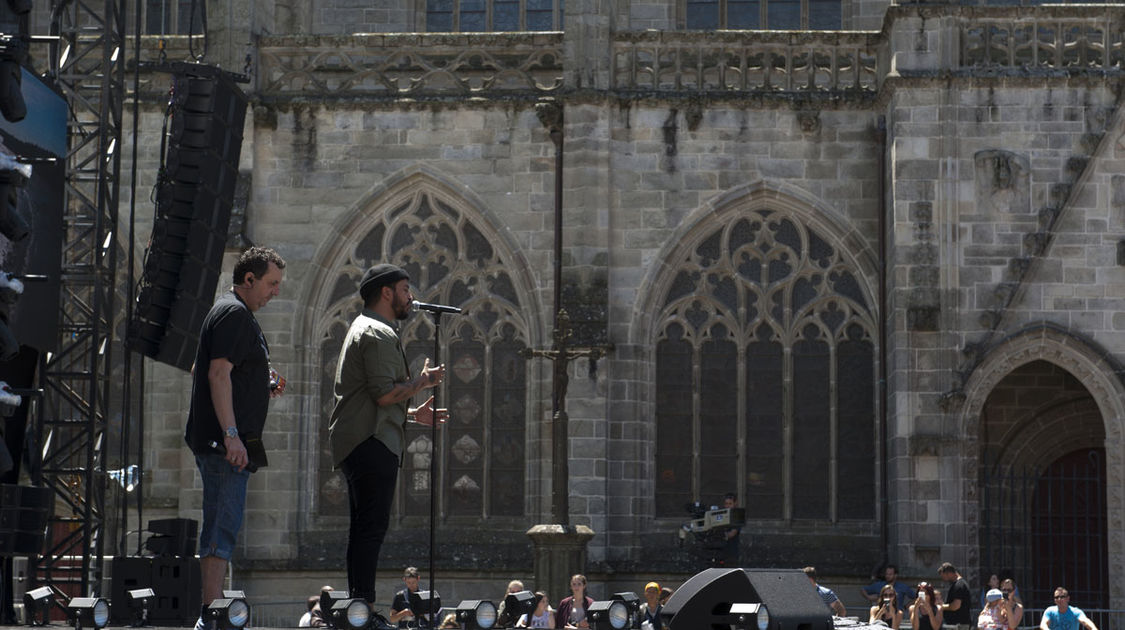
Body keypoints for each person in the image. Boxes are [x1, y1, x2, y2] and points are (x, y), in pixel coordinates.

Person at [328, 263, 447, 625]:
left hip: (365, 438)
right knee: (370, 528)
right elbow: (382, 395)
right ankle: (362, 609)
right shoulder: (377, 333)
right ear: (386, 293)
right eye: (406, 289)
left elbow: (370, 399)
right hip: (371, 444)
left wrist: (412, 415)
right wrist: (422, 383)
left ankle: (359, 606)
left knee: (365, 527)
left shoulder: (368, 328)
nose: (411, 297)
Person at [184, 246, 287, 630]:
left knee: (222, 526)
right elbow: (215, 374)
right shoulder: (233, 313)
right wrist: (231, 436)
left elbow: (204, 366)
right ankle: (209, 618)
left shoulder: (233, 313)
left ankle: (211, 614)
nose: (275, 292)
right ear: (249, 279)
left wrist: (262, 381)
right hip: (224, 446)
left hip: (225, 443)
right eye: (271, 284)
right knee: (220, 530)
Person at [938, 562, 972, 630]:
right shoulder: (959, 584)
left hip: (958, 625)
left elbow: (956, 606)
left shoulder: (959, 585)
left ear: (948, 573)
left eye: (943, 576)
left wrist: (942, 606)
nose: (944, 579)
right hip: (956, 624)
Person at [719, 493, 741, 566]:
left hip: (732, 551)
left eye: (730, 504)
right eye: (726, 504)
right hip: (721, 550)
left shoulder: (737, 516)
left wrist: (720, 536)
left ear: (735, 503)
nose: (727, 506)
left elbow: (733, 533)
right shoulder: (721, 515)